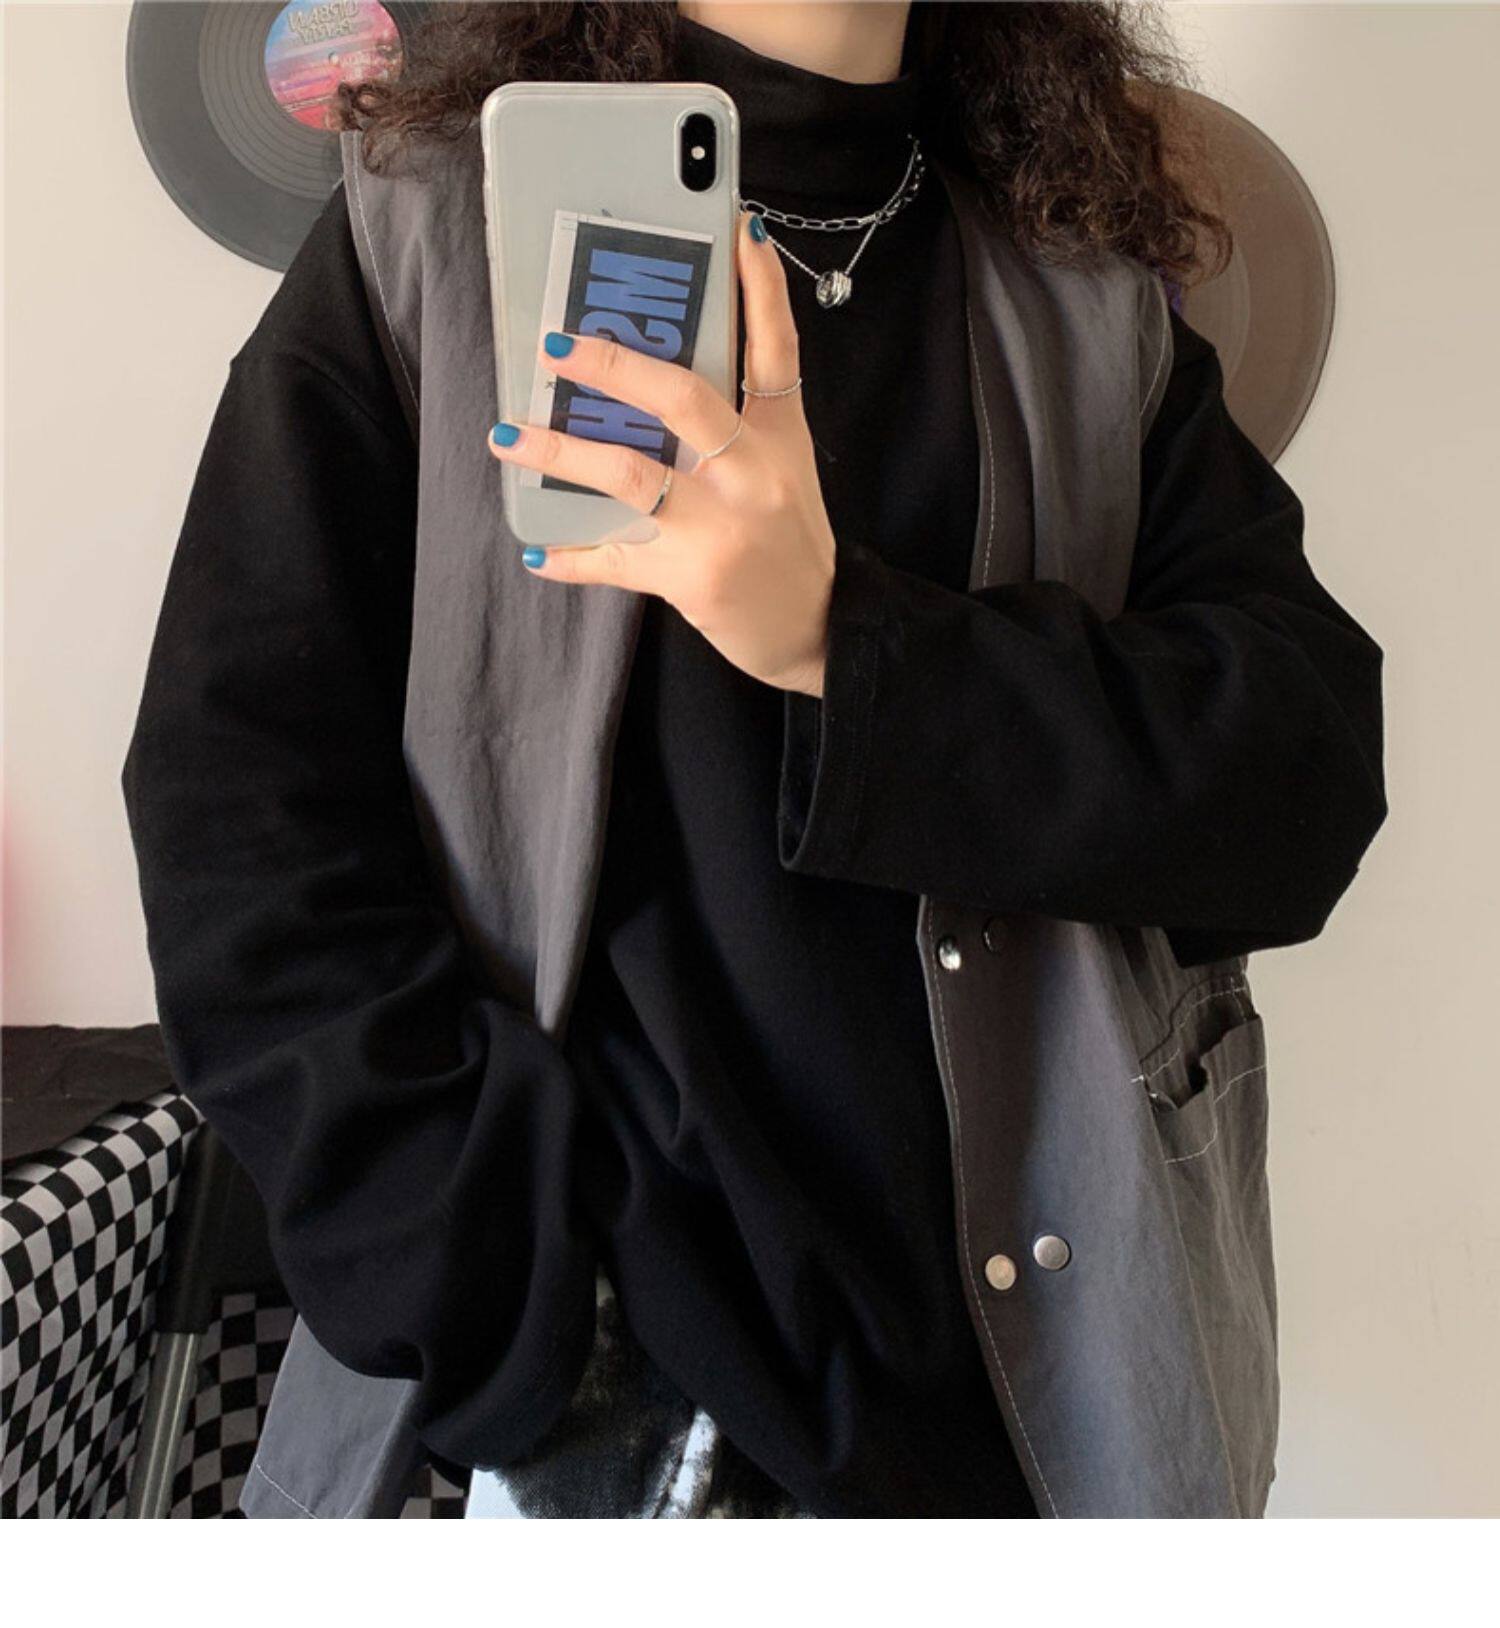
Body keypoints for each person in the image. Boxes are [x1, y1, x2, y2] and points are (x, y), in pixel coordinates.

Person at [122, 2, 1386, 1520]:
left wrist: (843, 641)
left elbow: (1304, 783)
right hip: (610, 1421)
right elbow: (238, 817)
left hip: (1060, 1414)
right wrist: (517, 1320)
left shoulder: (1083, 284)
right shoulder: (434, 233)